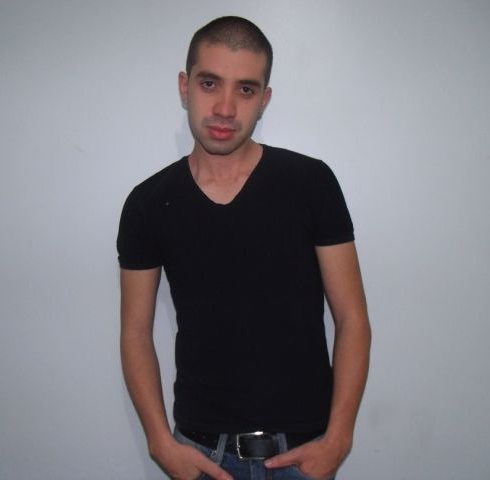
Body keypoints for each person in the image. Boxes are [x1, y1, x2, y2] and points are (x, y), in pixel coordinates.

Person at [117, 16, 370, 480]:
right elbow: (135, 331)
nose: (226, 107)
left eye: (246, 89)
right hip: (202, 456)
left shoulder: (311, 184)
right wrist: (160, 442)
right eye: (209, 83)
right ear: (185, 87)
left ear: (264, 100)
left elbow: (352, 318)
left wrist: (338, 440)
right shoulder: (148, 203)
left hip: (304, 452)